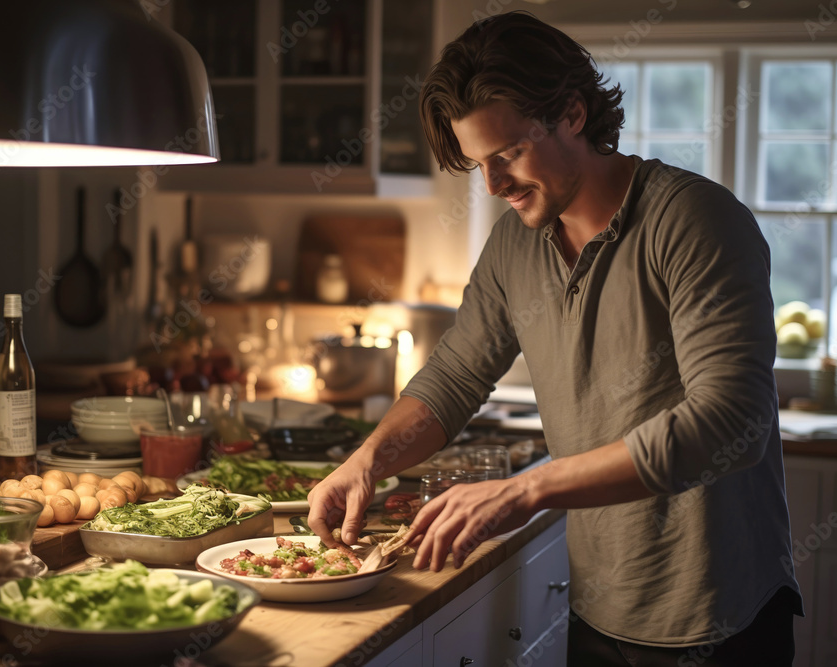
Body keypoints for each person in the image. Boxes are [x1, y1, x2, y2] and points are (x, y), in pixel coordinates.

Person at [307, 11, 802, 666]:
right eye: (479, 164)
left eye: (508, 154)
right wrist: (369, 458)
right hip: (599, 602)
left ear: (573, 113)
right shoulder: (516, 242)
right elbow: (455, 375)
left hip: (716, 614)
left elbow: (732, 419)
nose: (493, 184)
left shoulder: (695, 220)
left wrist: (526, 488)